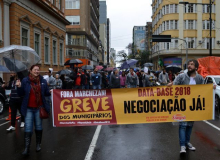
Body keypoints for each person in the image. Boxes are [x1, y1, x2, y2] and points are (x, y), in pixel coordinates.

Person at [167, 59, 211, 154]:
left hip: (193, 106)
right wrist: (171, 85)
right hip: (182, 105)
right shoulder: (181, 77)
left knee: (190, 125)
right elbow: (174, 85)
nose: (189, 66)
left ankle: (187, 143)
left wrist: (211, 88)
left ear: (196, 67)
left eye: (192, 64)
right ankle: (182, 145)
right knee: (183, 125)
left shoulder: (199, 78)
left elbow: (204, 89)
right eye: (189, 64)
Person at [16, 65, 51, 155]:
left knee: (39, 127)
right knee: (28, 128)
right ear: (30, 71)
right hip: (28, 109)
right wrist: (19, 87)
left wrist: (50, 91)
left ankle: (38, 144)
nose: (37, 71)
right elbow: (21, 94)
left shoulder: (43, 81)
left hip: (39, 108)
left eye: (38, 70)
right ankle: (27, 148)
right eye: (35, 70)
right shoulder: (25, 80)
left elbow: (46, 93)